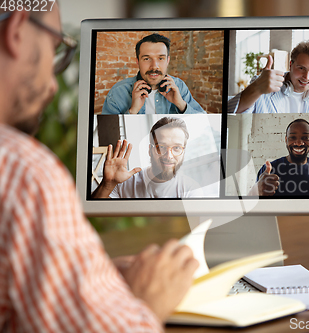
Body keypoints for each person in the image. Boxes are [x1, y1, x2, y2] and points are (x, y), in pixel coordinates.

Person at [0, 5, 198, 332]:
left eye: (161, 58)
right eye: (54, 49)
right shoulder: (26, 174)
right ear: (17, 32)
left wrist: (181, 104)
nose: (52, 85)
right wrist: (146, 301)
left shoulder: (180, 91)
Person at [92, 117, 204, 198]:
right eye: (161, 147)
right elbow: (93, 214)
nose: (169, 156)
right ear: (150, 150)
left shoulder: (191, 190)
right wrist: (107, 184)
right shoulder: (124, 182)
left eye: (177, 148)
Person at [102, 33, 206, 115]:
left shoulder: (179, 87)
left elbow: (204, 125)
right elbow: (108, 138)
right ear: (137, 61)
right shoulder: (117, 93)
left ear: (167, 60)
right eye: (147, 59)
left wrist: (181, 105)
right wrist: (132, 111)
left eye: (161, 58)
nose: (154, 66)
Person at [228, 40, 309, 114]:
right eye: (301, 68)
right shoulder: (263, 84)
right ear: (290, 65)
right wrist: (256, 88)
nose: (306, 77)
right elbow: (230, 114)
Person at [251, 119, 309, 196]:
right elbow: (250, 207)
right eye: (292, 137)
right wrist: (257, 192)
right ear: (286, 139)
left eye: (305, 137)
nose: (299, 143)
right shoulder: (268, 170)